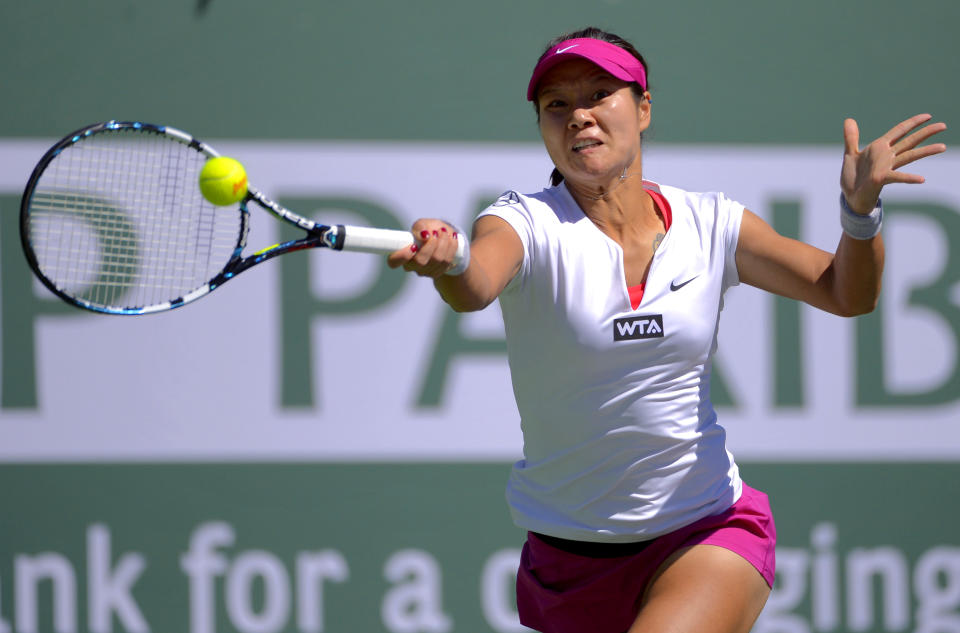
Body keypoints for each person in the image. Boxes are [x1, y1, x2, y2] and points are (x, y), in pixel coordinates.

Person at [387, 26, 947, 633]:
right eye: (558, 105)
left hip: (705, 528)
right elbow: (475, 286)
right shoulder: (523, 221)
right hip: (568, 555)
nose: (579, 116)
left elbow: (846, 293)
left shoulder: (713, 223)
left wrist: (859, 215)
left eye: (600, 94)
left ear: (644, 107)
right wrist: (453, 260)